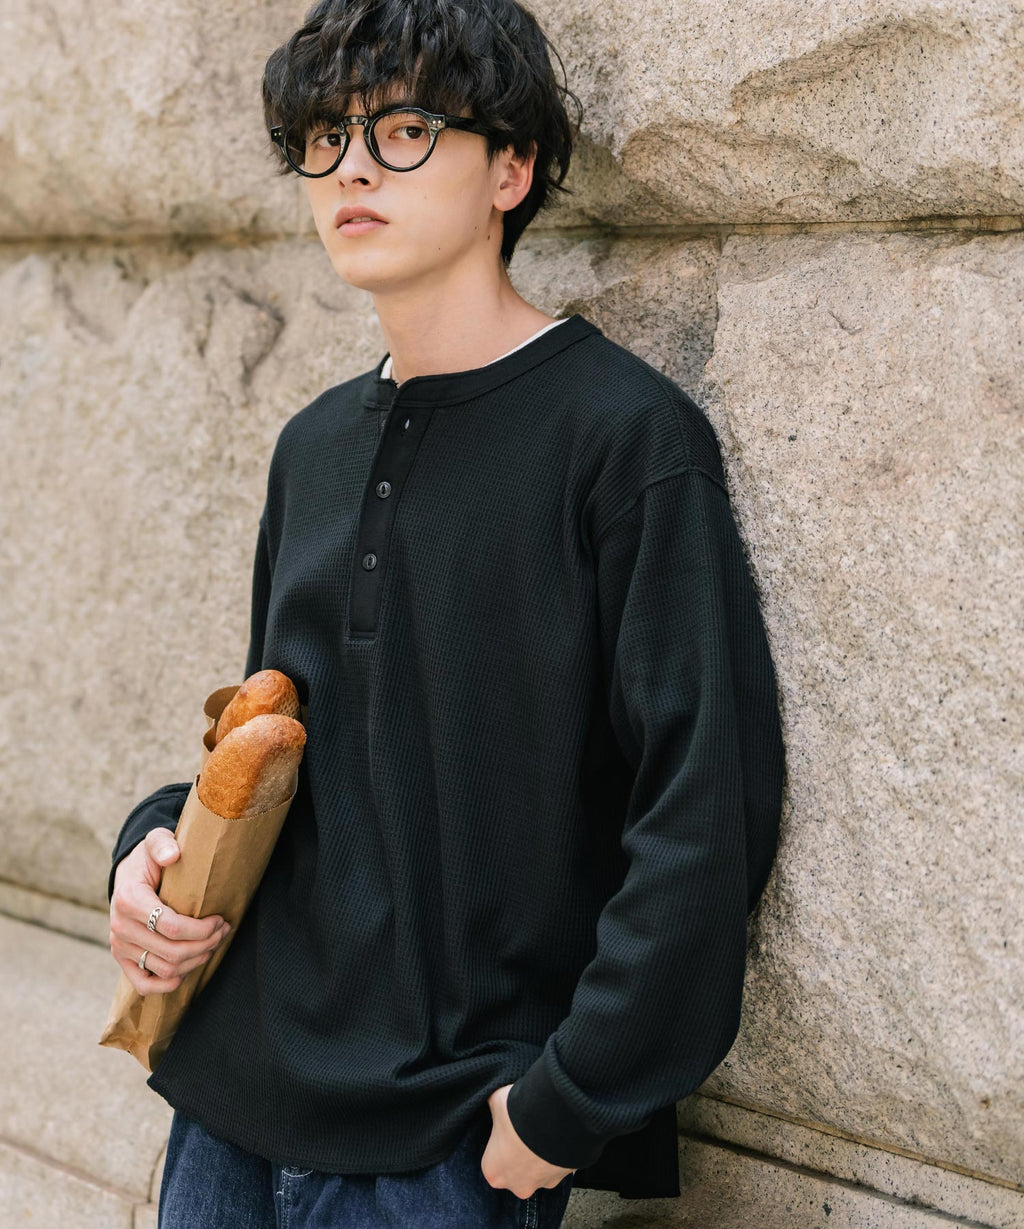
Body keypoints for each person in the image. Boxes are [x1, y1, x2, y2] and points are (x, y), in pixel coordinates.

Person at [106, 1, 787, 1225]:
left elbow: (705, 805)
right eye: (326, 135)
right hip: (228, 1104)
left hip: (448, 1137)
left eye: (406, 129)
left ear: (509, 169)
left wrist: (567, 1104)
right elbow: (297, 754)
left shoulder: (624, 440)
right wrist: (149, 846)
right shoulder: (312, 446)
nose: (352, 167)